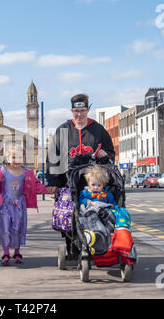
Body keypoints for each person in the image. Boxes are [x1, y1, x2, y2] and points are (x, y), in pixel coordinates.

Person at [46, 93, 115, 257]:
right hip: (67, 181)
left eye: (83, 111)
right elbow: (53, 157)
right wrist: (53, 181)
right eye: (76, 111)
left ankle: (95, 242)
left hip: (94, 182)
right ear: (71, 111)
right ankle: (71, 245)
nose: (79, 115)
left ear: (88, 110)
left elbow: (110, 153)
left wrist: (104, 155)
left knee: (93, 212)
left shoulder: (98, 130)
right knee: (69, 214)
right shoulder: (63, 130)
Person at [0, 145, 56, 265]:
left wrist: (48, 190)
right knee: (5, 228)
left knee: (18, 228)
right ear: (7, 158)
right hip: (4, 205)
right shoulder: (1, 171)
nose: (16, 160)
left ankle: (17, 251)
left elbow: (36, 185)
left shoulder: (26, 172)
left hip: (19, 205)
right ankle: (6, 252)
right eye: (13, 157)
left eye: (19, 157)